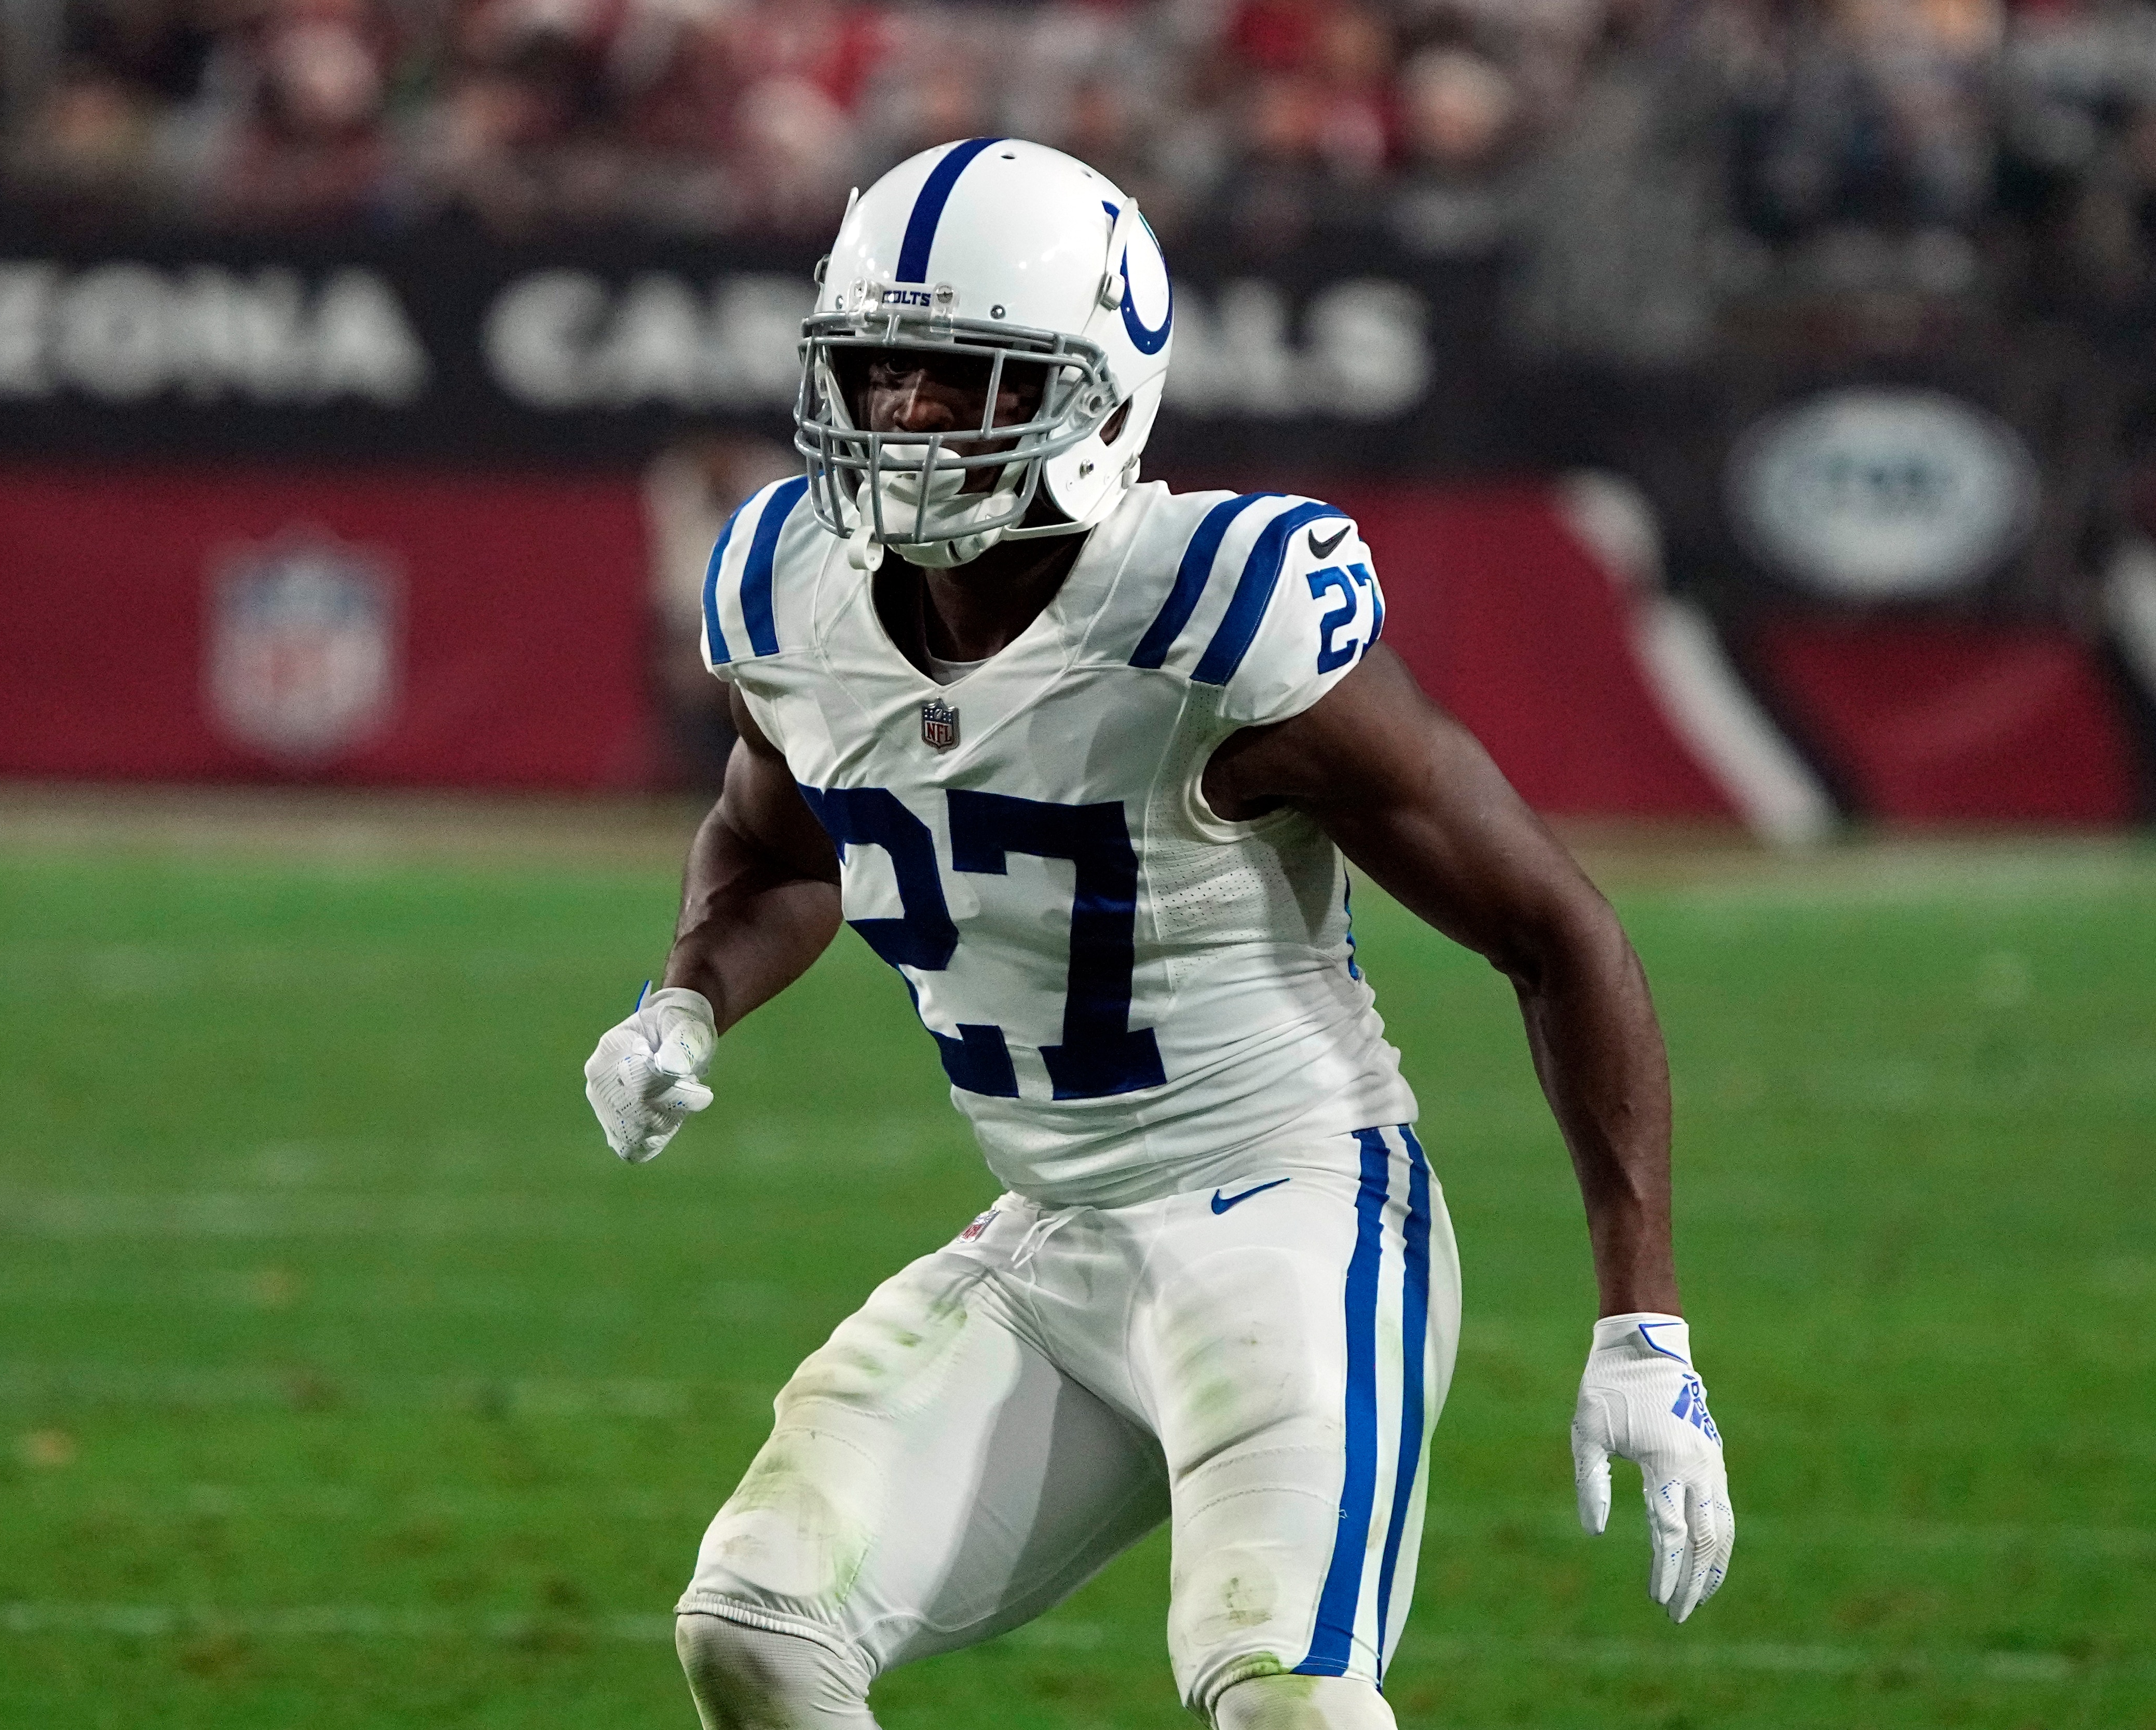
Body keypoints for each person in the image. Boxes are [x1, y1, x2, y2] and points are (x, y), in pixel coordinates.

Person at [583, 137, 1734, 1730]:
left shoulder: (1214, 612)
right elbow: (784, 848)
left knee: (1284, 1697)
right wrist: (686, 999)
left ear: (1100, 396)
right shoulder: (790, 593)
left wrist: (1643, 1324)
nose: (904, 417)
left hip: (1293, 1213)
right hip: (1051, 1229)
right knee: (760, 1628)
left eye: (960, 378)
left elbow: (1556, 932)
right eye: (881, 372)